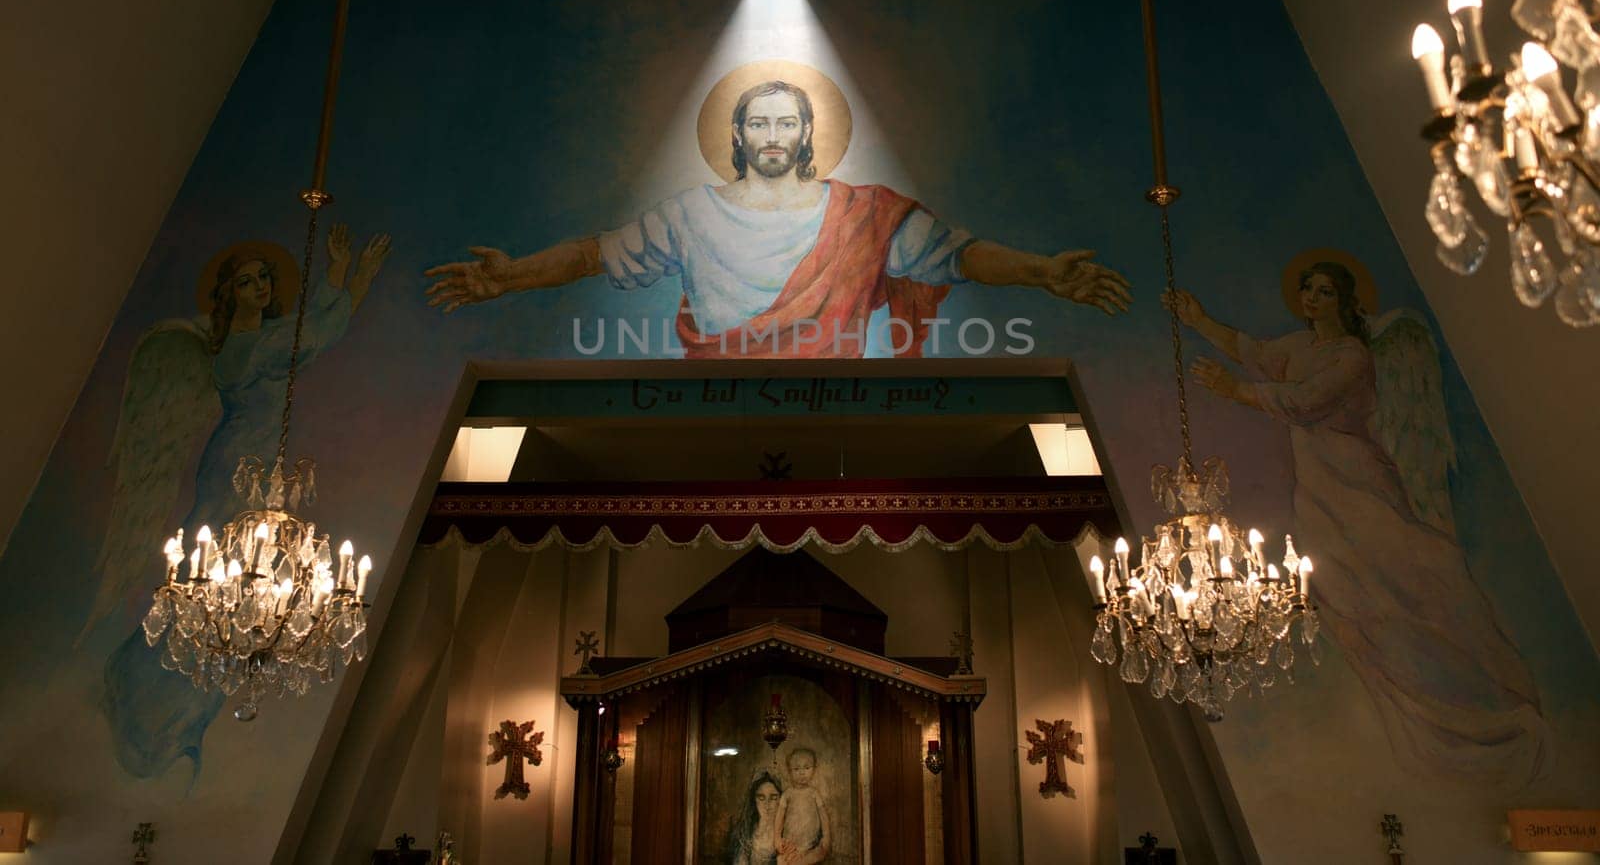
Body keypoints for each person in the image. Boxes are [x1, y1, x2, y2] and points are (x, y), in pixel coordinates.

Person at [1165, 260, 1551, 788]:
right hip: (1319, 496)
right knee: (1348, 605)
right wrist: (1200, 321)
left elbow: (1303, 402)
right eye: (1309, 289)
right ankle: (1425, 720)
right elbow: (1256, 352)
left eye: (1326, 291)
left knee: (1427, 578)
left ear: (1345, 301)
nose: (1314, 298)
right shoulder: (1301, 348)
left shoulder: (1353, 356)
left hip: (1362, 487)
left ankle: (1505, 687)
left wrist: (1235, 391)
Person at [426, 79, 1129, 356]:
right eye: (756, 122)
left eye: (784, 122)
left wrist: (1042, 273)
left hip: (840, 405)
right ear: (735, 136)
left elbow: (958, 253)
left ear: (804, 134)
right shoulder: (690, 214)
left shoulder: (861, 213)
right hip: (710, 404)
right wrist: (511, 277)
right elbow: (592, 255)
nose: (770, 134)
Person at [95, 225, 390, 780]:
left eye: (263, 278)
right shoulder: (241, 351)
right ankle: (147, 684)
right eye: (246, 281)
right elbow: (317, 335)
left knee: (248, 600)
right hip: (236, 469)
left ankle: (190, 709)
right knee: (218, 590)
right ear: (228, 294)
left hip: (265, 471)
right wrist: (347, 274)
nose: (257, 286)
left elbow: (313, 332)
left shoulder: (270, 335)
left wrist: (348, 275)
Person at [773, 747, 830, 865]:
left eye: (807, 768)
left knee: (817, 854)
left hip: (810, 845)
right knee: (781, 861)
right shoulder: (788, 794)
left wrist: (826, 836)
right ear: (790, 771)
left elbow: (823, 816)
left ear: (814, 769)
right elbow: (779, 817)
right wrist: (777, 837)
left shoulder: (814, 793)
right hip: (790, 844)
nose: (802, 773)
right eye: (796, 769)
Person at [727, 770, 783, 865]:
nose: (767, 805)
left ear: (781, 799)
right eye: (761, 798)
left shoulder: (787, 832)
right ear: (754, 800)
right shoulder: (745, 832)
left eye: (773, 798)